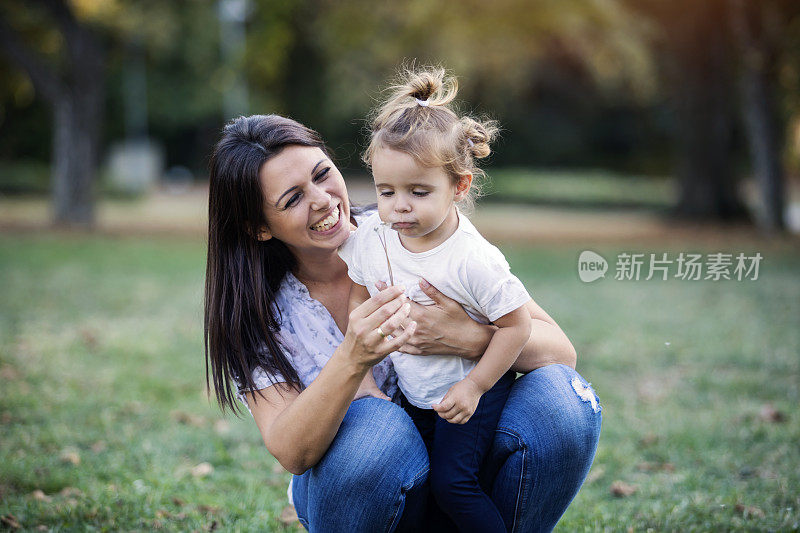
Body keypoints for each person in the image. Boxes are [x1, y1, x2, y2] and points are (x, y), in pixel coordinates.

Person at [204, 113, 602, 532]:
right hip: (365, 490)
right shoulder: (258, 313)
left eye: (323, 174)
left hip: (460, 457)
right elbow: (291, 451)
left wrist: (469, 338)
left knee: (564, 401)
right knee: (377, 426)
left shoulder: (411, 227)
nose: (322, 199)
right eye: (292, 199)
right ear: (259, 228)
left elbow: (561, 352)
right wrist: (353, 360)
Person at [338, 68, 531, 532]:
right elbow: (359, 293)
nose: (399, 206)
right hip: (416, 391)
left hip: (468, 389)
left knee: (454, 486)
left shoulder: (472, 259)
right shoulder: (376, 239)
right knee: (423, 491)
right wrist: (368, 334)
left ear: (459, 187)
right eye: (386, 192)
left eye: (418, 192)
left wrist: (475, 387)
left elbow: (517, 326)